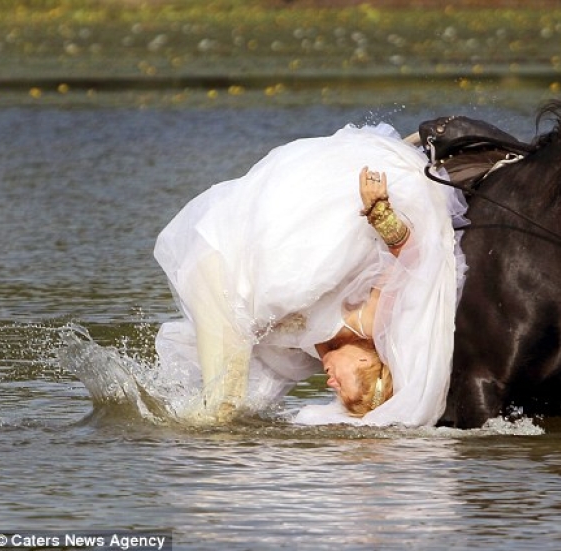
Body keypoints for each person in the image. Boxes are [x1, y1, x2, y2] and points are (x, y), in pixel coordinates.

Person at [153, 123, 467, 426]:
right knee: (222, 409)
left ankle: (173, 441)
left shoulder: (320, 352)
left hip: (222, 287)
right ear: (365, 362)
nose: (330, 384)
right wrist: (379, 211)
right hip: (228, 264)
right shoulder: (371, 321)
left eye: (336, 393)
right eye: (343, 386)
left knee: (224, 410)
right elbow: (410, 260)